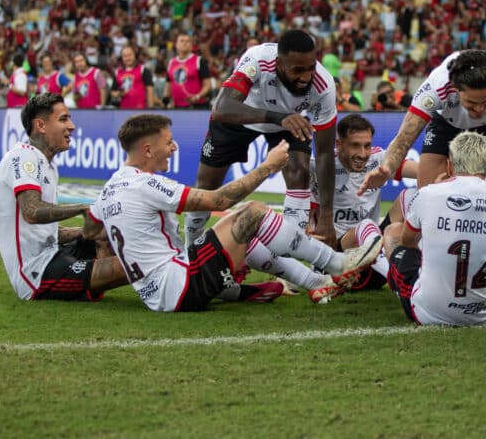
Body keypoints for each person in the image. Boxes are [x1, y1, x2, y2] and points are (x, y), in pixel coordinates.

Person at [84, 114, 382, 312]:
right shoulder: (144, 184)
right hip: (177, 283)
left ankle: (317, 284)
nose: (174, 147)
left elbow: (91, 229)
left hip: (158, 292)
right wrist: (268, 167)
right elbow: (219, 199)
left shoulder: (111, 187)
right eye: (168, 142)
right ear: (147, 150)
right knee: (250, 213)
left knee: (244, 235)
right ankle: (337, 263)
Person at [358, 49, 486, 283]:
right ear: (456, 90)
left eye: (484, 101)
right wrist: (387, 167)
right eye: (471, 102)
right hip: (448, 122)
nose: (479, 110)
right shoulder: (436, 88)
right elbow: (403, 140)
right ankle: (427, 276)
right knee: (427, 196)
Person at [183, 29, 339, 252]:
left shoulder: (324, 86)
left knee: (300, 172)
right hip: (242, 115)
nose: (305, 77)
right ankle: (191, 250)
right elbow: (222, 107)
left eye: (311, 67)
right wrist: (278, 118)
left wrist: (326, 215)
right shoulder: (257, 58)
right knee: (207, 185)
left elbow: (324, 154)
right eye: (297, 70)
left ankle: (291, 257)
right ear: (278, 64)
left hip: (289, 121)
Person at [0, 93, 128, 301]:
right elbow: (32, 212)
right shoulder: (24, 156)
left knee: (111, 235)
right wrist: (82, 208)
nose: (71, 126)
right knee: (135, 262)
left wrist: (84, 232)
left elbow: (45, 231)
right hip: (36, 273)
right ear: (41, 125)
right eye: (63, 119)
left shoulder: (48, 165)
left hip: (54, 255)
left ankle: (91, 288)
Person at [382, 131, 486, 326]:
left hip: (428, 313)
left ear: (449, 165)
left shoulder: (428, 194)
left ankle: (403, 290)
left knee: (392, 232)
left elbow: (407, 242)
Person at [308, 113, 418, 291]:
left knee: (412, 196)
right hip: (339, 262)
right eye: (355, 146)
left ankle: (422, 267)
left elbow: (423, 171)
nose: (362, 154)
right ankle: (404, 284)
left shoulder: (379, 159)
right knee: (366, 226)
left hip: (374, 261)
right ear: (339, 145)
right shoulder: (319, 167)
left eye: (367, 146)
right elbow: (305, 218)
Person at [164, 33, 211, 109]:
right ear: (176, 45)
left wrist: (197, 96)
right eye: (182, 41)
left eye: (188, 41)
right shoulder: (171, 63)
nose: (185, 43)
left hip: (197, 107)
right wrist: (166, 101)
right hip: (177, 107)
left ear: (191, 45)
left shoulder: (199, 61)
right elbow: (168, 86)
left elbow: (208, 85)